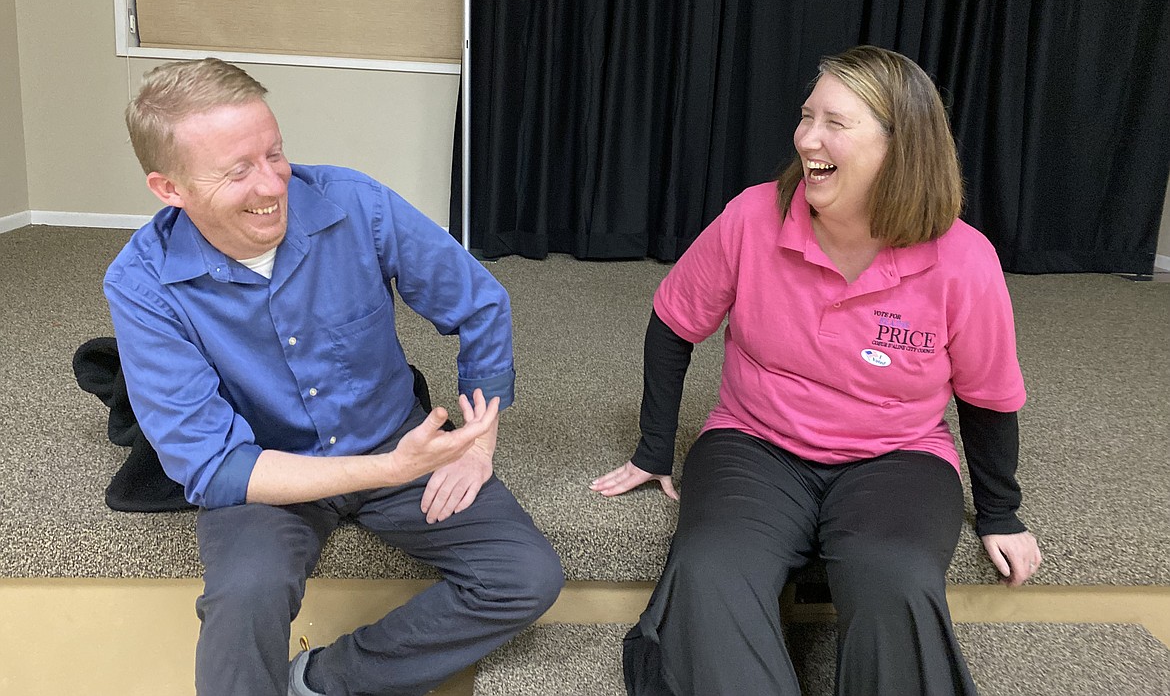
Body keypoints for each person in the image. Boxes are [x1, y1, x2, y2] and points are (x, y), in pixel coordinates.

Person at [591, 46, 1042, 695]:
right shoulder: (752, 215)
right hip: (754, 442)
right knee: (712, 567)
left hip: (899, 453)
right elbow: (673, 321)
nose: (807, 138)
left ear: (902, 144)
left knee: (897, 574)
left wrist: (1000, 511)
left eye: (835, 121)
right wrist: (654, 447)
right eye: (806, 116)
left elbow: (988, 396)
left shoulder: (964, 260)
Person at [104, 58, 563, 696]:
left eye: (275, 153)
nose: (271, 184)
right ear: (169, 188)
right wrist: (391, 469)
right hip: (271, 472)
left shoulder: (356, 202)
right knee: (245, 598)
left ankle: (324, 681)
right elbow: (214, 467)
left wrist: (478, 441)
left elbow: (479, 303)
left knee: (524, 575)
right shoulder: (141, 283)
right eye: (238, 170)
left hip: (392, 436)